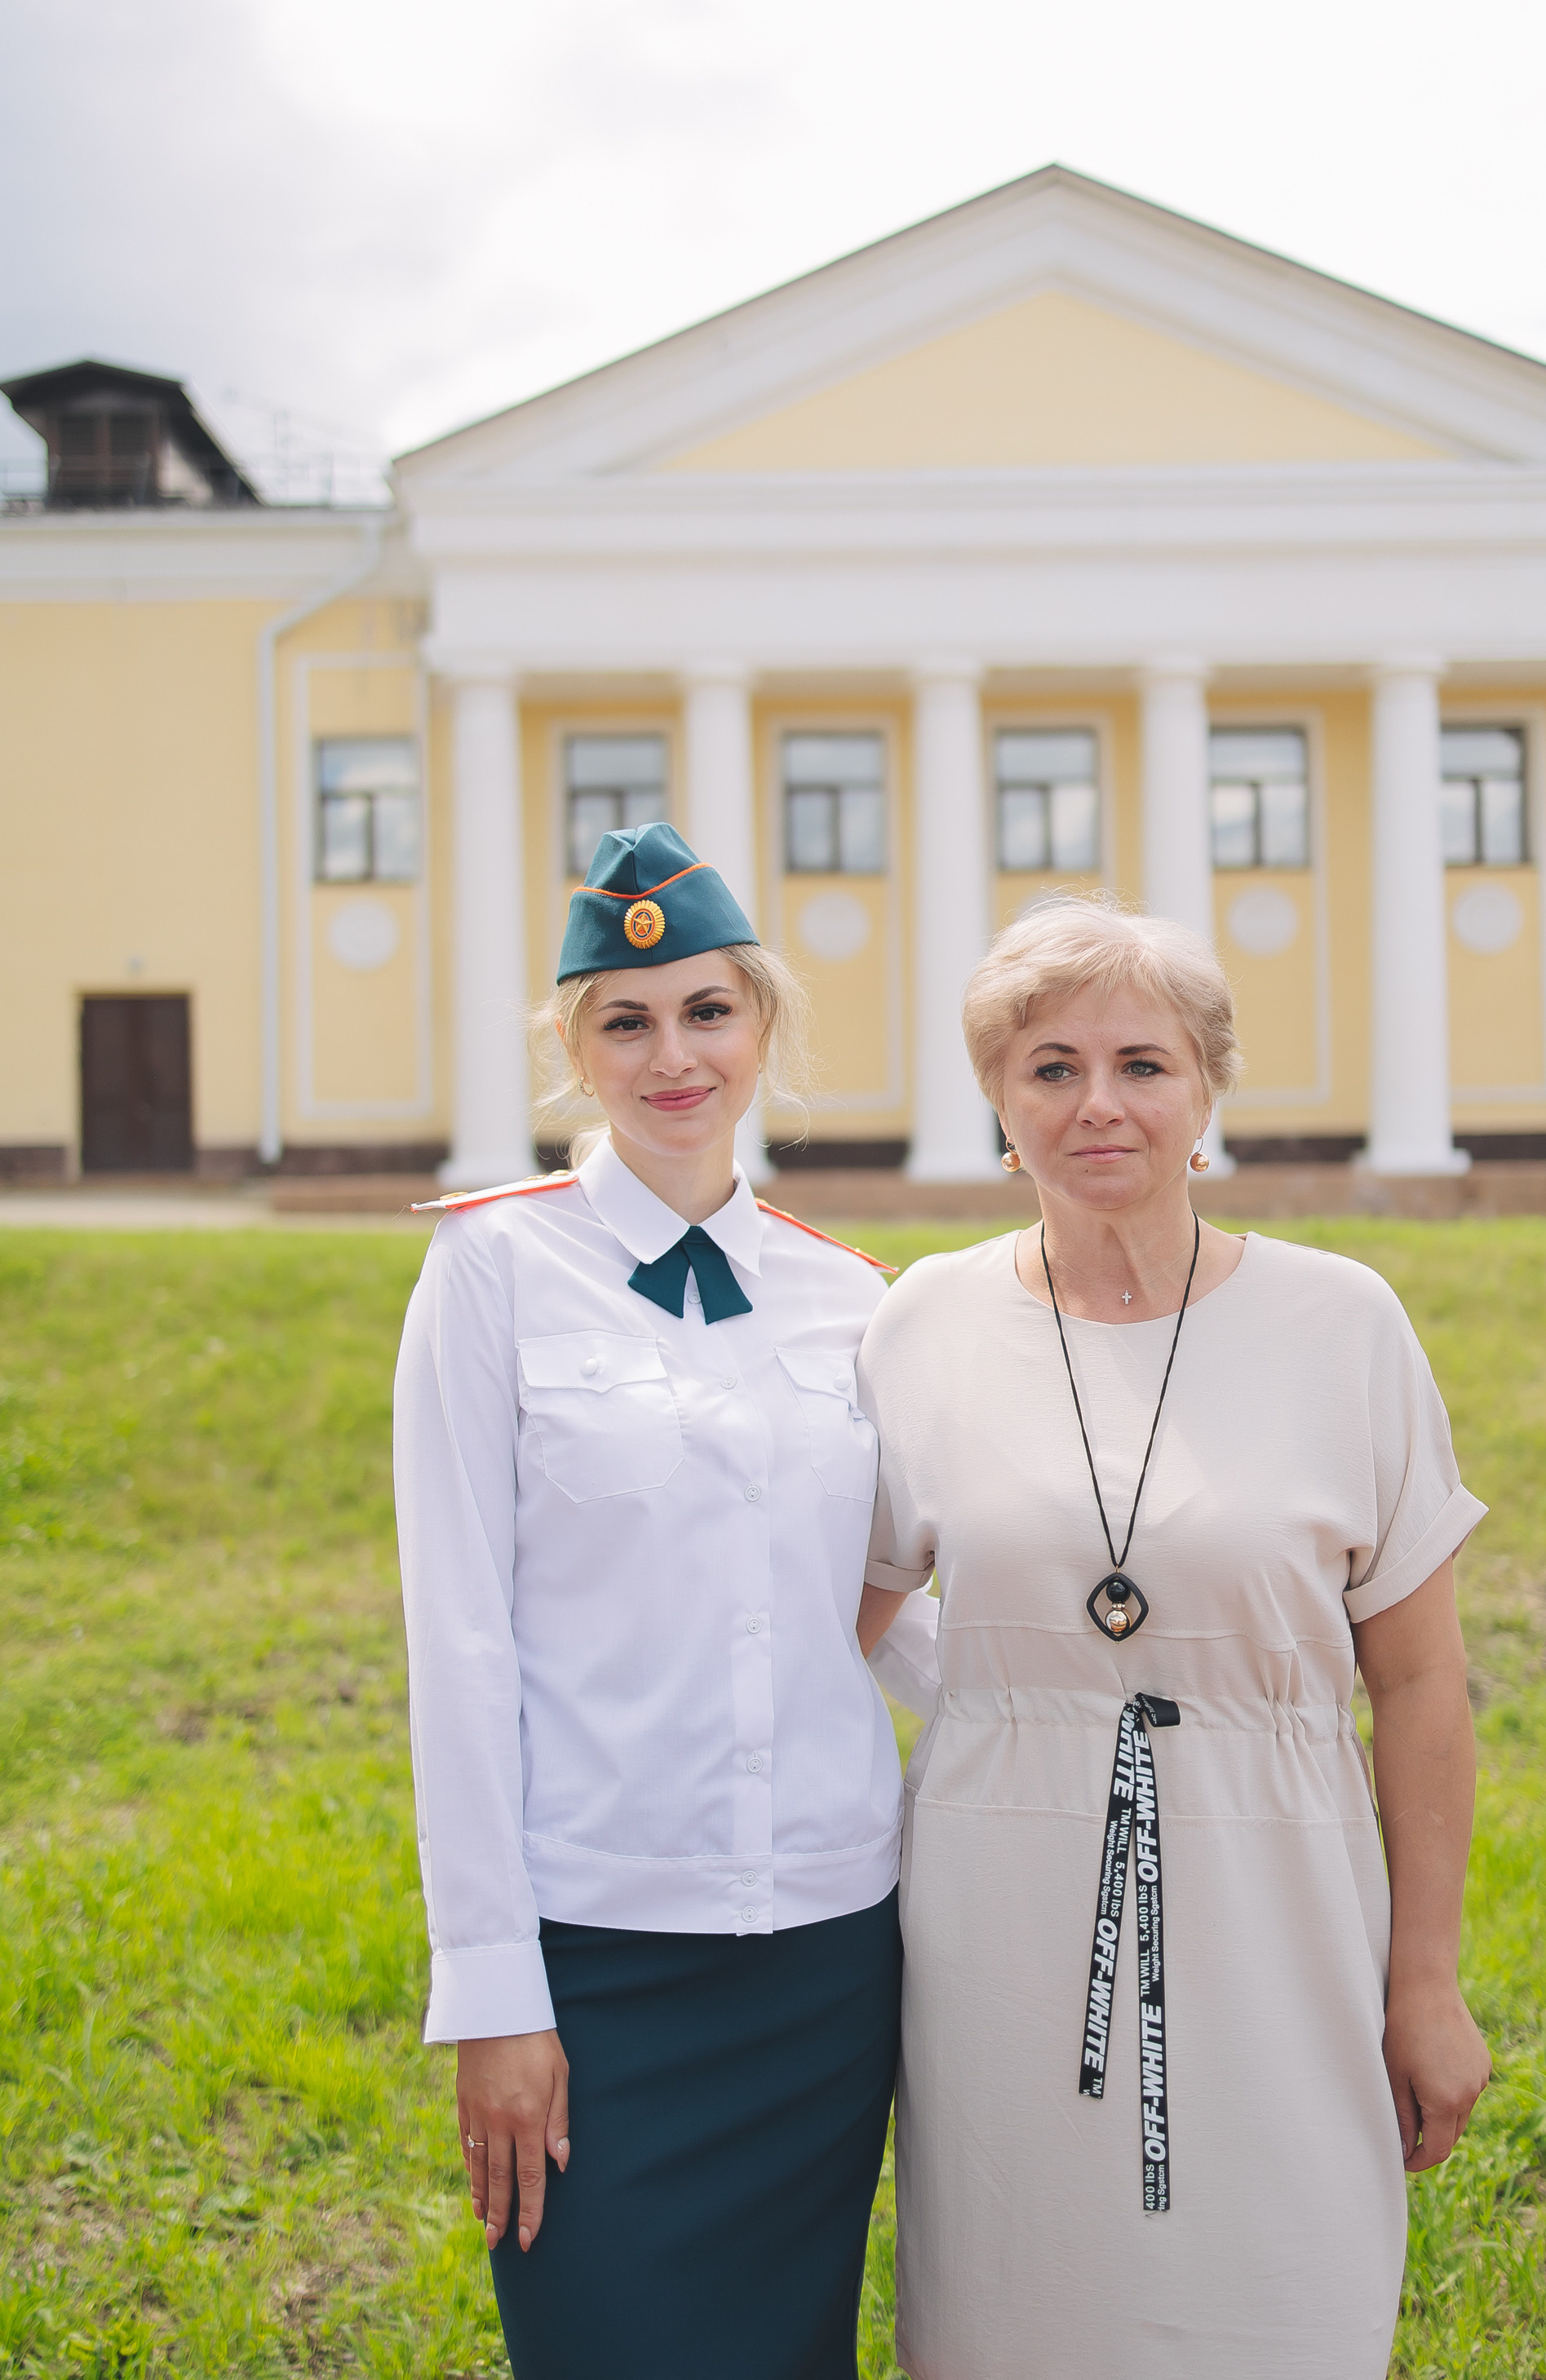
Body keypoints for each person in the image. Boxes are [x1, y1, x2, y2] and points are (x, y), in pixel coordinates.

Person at [855, 894, 1492, 2380]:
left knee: (1285, 2291)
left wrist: (1425, 1976)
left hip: (1281, 1895)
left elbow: (1417, 1680)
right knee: (1019, 2313)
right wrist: (1010, 1697)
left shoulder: (1345, 1323)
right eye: (1050, 1066)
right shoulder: (921, 1326)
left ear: (1205, 1092)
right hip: (996, 1914)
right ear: (1000, 1106)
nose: (1099, 1103)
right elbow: (840, 1624)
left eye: (1142, 1062)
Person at [394, 822, 931, 2380]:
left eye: (708, 1011)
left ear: (763, 1030)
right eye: (626, 1019)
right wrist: (491, 1993)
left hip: (826, 1952)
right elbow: (460, 1638)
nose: (672, 1054)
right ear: (577, 1050)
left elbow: (887, 1596)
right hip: (597, 1952)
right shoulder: (492, 1273)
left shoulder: (855, 1296)